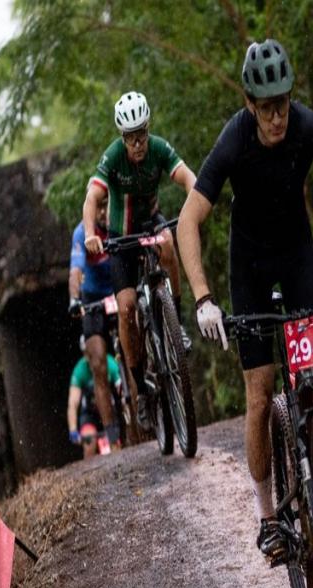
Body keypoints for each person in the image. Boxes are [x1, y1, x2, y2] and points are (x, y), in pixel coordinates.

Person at [177, 39, 313, 562]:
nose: (278, 117)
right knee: (260, 392)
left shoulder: (305, 126)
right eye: (267, 107)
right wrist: (204, 298)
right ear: (250, 104)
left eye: (284, 103)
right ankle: (268, 516)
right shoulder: (234, 140)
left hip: (297, 261)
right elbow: (188, 222)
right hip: (248, 269)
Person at [82, 90, 197, 431]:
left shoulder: (159, 149)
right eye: (131, 138)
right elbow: (92, 197)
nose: (138, 144)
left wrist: (195, 203)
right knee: (128, 306)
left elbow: (188, 178)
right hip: (120, 236)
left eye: (142, 135)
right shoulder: (113, 156)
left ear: (148, 129)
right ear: (123, 138)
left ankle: (176, 322)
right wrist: (91, 232)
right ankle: (141, 389)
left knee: (168, 242)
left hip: (150, 223)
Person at [68, 192, 122, 450]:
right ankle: (112, 433)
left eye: (105, 207)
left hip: (118, 289)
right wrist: (74, 298)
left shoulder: (119, 221)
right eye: (97, 208)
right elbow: (76, 271)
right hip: (92, 297)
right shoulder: (81, 233)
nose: (102, 213)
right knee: (98, 361)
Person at [67, 335, 122, 459]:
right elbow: (73, 403)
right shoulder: (80, 370)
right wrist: (73, 430)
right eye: (86, 354)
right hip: (90, 415)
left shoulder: (109, 362)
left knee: (116, 443)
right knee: (89, 443)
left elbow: (120, 386)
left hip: (109, 410)